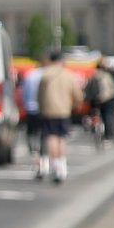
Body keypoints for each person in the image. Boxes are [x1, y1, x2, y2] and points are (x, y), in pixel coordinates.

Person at [35, 50, 85, 184]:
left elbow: (39, 95)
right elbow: (78, 95)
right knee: (61, 138)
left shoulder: (45, 74)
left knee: (51, 137)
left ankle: (55, 166)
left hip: (48, 110)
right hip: (64, 111)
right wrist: (75, 106)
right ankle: (62, 166)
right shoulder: (68, 75)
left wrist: (41, 108)